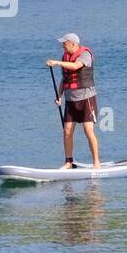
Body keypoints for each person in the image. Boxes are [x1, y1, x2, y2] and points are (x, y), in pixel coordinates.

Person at [45, 33, 100, 169]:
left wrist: (57, 63)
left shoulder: (85, 54)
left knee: (88, 130)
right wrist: (59, 96)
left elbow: (75, 66)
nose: (63, 45)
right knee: (67, 130)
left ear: (73, 44)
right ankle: (68, 162)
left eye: (65, 43)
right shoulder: (65, 57)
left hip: (86, 98)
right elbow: (65, 79)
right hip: (70, 100)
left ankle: (96, 163)